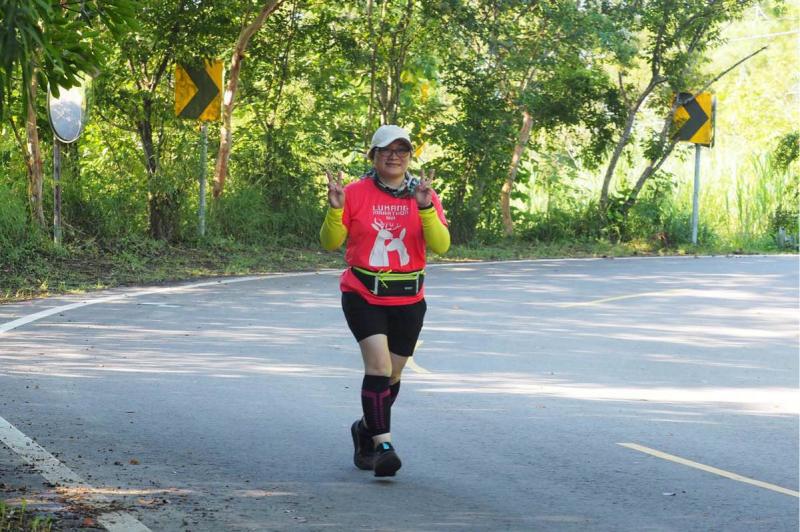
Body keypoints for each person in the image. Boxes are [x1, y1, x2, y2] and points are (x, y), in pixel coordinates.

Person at [320, 125, 450, 477]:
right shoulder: (353, 193)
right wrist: (335, 210)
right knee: (377, 368)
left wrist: (425, 208)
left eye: (401, 150)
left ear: (409, 156)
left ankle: (365, 429)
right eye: (386, 150)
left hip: (409, 297)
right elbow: (331, 243)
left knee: (392, 375)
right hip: (363, 293)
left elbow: (441, 246)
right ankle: (384, 447)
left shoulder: (423, 194)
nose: (394, 156)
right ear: (373, 156)